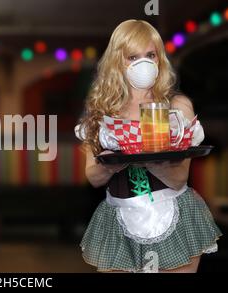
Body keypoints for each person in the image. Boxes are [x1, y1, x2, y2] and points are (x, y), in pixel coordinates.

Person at [75, 19, 222, 273]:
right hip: (118, 217)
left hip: (174, 214)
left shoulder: (176, 107)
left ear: (160, 59)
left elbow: (178, 179)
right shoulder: (101, 112)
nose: (143, 64)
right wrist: (111, 165)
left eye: (150, 55)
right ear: (117, 62)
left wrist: (143, 156)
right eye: (133, 57)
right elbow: (94, 177)